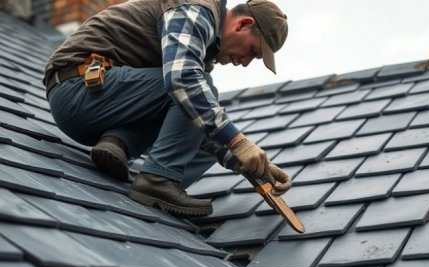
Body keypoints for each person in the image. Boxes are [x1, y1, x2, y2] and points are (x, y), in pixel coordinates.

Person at [43, 0, 292, 217]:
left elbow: (198, 125)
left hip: (99, 101)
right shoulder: (196, 8)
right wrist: (239, 142)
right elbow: (182, 79)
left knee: (204, 121)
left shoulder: (203, 46)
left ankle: (119, 142)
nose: (245, 63)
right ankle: (158, 179)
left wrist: (249, 165)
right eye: (252, 52)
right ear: (242, 24)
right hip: (77, 90)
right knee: (199, 91)